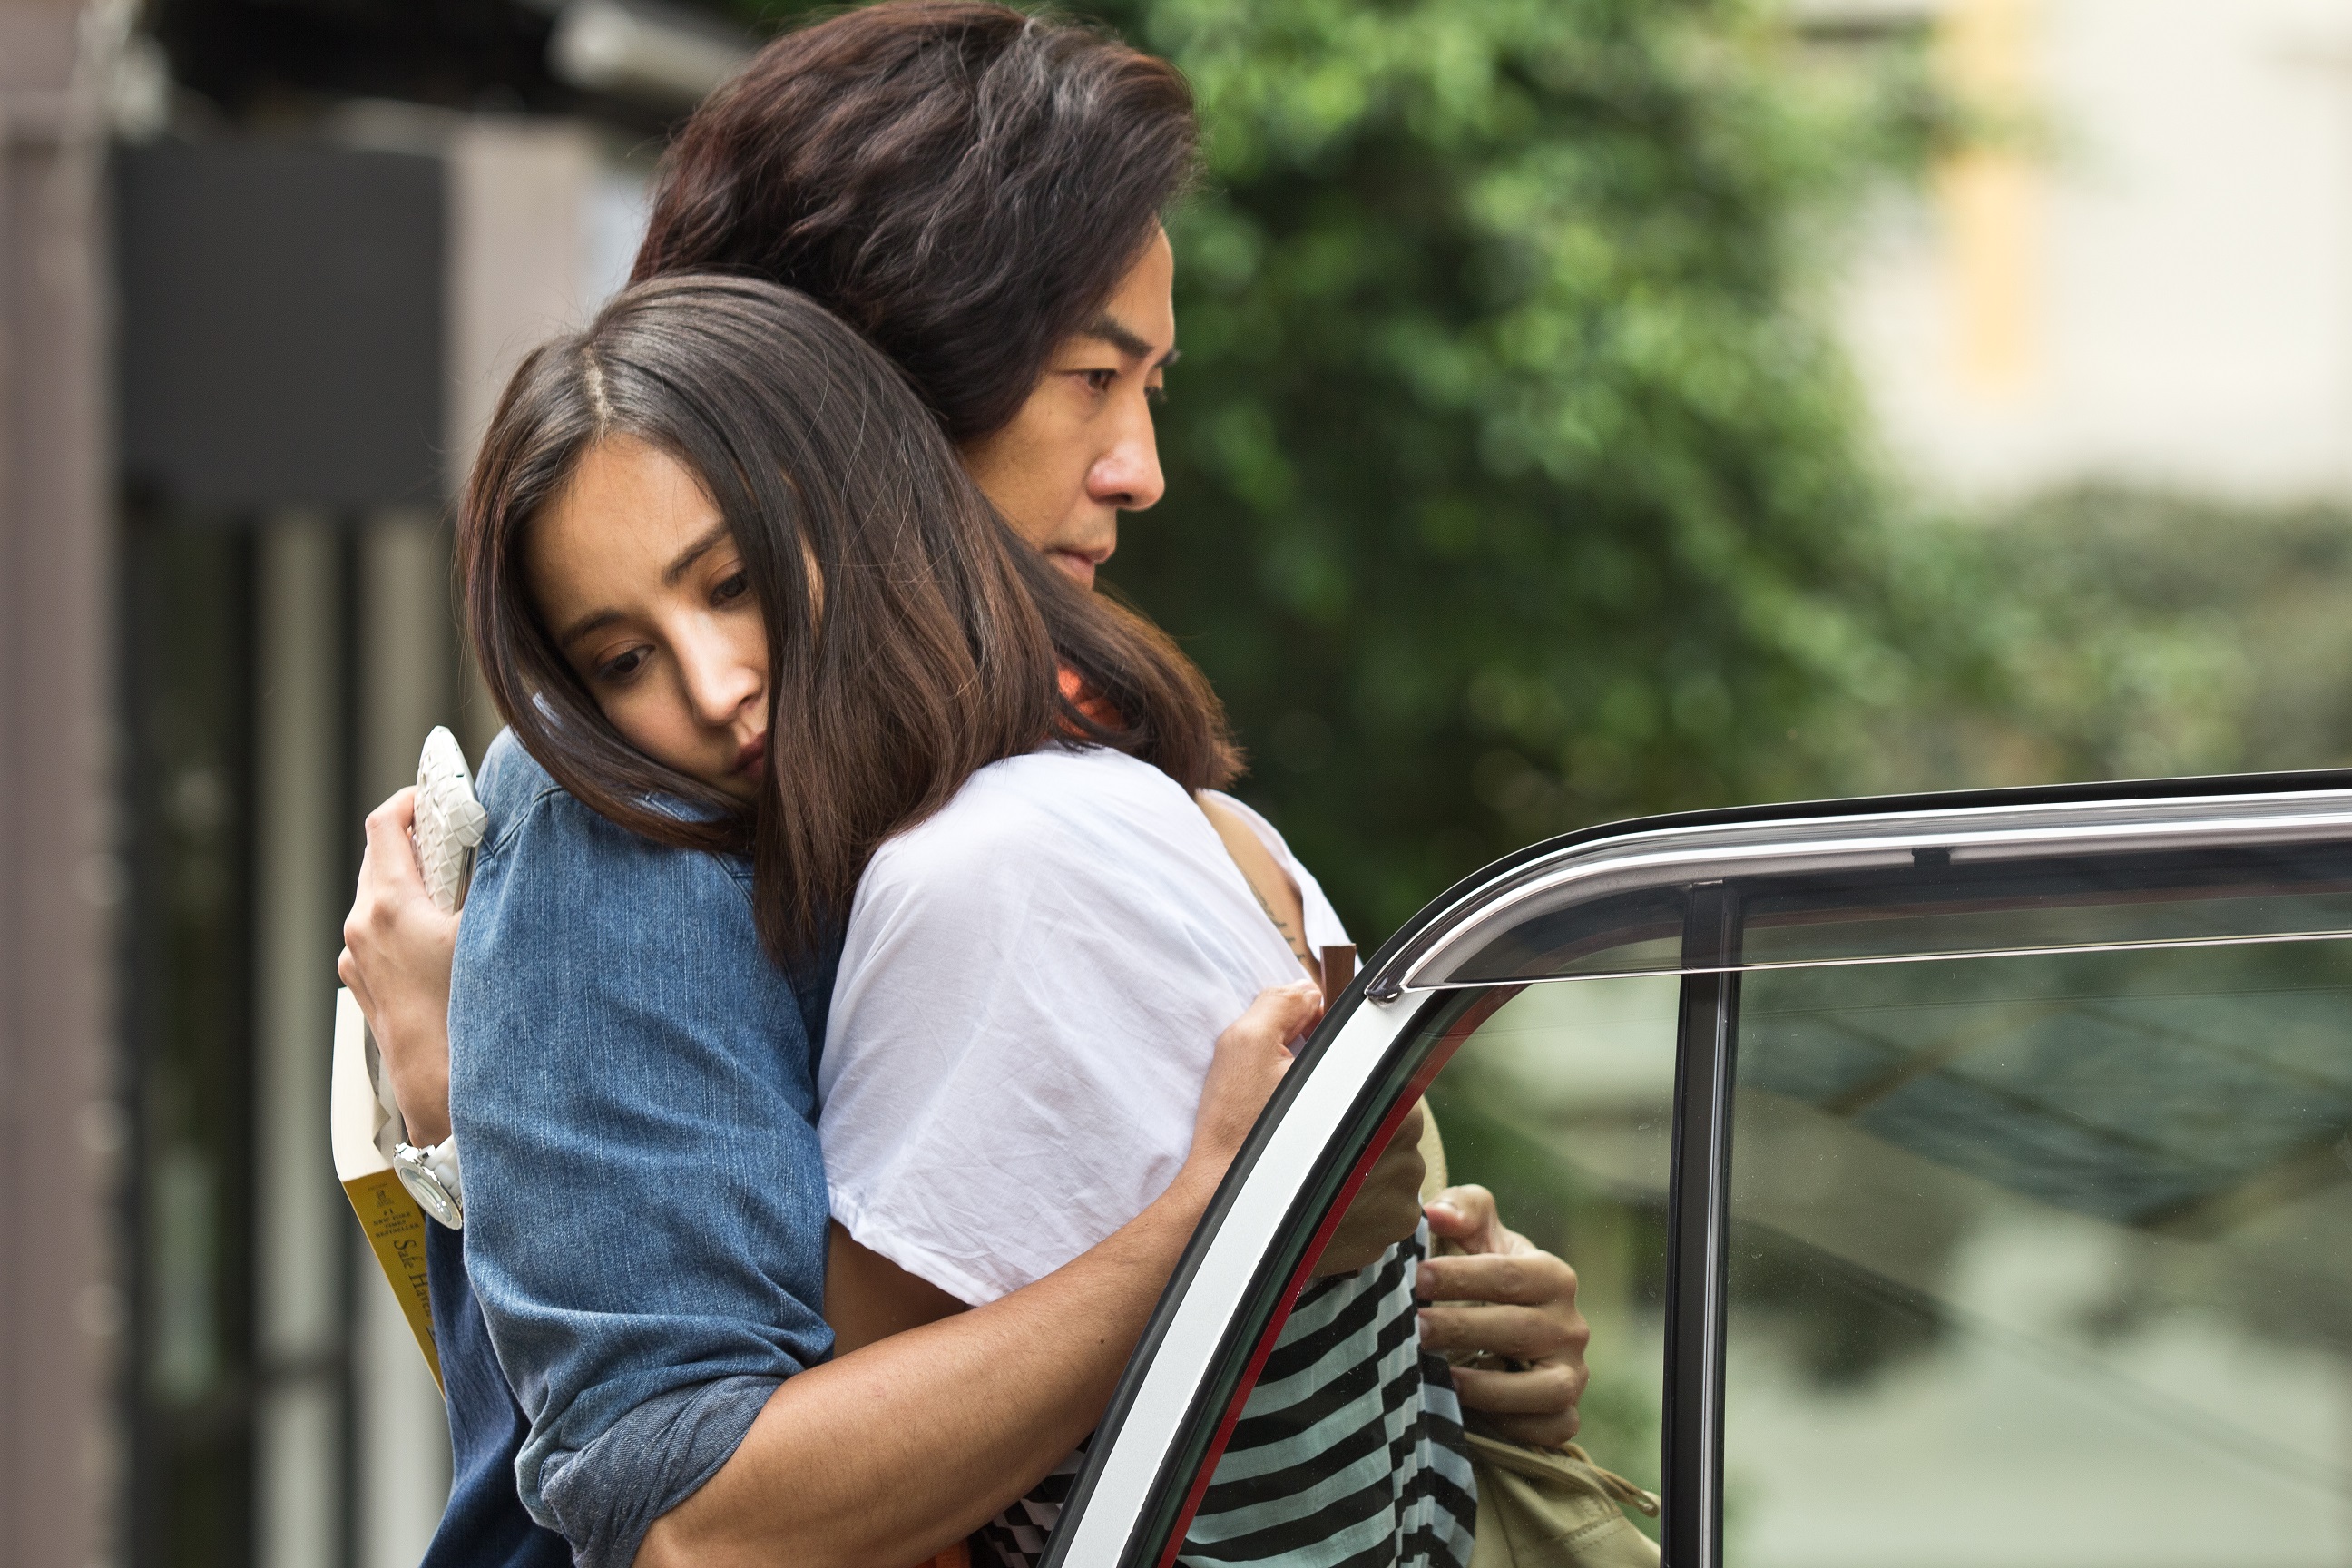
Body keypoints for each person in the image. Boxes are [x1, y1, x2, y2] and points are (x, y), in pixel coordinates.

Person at [338, 4, 1587, 1563]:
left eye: (1153, 384)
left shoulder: (1047, 756)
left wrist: (1426, 1316)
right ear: (861, 393)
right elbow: (662, 1496)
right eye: (1090, 378)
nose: (1139, 463)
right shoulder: (649, 821)